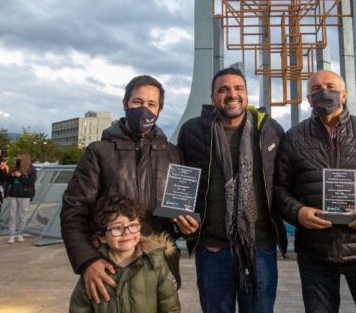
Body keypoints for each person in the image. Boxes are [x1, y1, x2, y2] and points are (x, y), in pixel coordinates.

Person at [61, 75, 198, 306]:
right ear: (125, 104)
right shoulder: (98, 153)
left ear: (159, 110)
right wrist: (87, 261)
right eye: (137, 102)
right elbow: (74, 211)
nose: (144, 109)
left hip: (160, 268)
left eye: (151, 104)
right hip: (111, 266)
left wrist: (187, 229)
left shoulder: (173, 154)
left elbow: (177, 213)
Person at [274, 70, 356, 313]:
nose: (323, 92)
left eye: (330, 86)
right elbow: (280, 188)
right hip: (315, 251)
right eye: (315, 89)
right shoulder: (294, 138)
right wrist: (298, 212)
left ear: (343, 95)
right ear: (308, 99)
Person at [177, 67, 287, 313]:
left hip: (260, 247)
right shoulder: (192, 131)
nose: (232, 94)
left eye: (238, 88)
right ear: (213, 97)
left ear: (247, 95)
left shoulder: (270, 130)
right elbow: (180, 180)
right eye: (223, 89)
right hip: (213, 248)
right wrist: (183, 218)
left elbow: (283, 180)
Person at [69, 194, 181, 313]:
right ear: (102, 236)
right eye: (117, 228)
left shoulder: (156, 265)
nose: (126, 233)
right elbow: (79, 308)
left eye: (132, 225)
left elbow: (170, 307)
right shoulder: (94, 271)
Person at [6, 152, 36, 244]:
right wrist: (11, 176)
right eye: (17, 157)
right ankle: (11, 235)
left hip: (25, 195)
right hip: (13, 194)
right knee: (12, 216)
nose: (18, 159)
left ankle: (20, 234)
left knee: (22, 216)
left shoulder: (31, 169)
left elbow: (31, 182)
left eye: (20, 158)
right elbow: (10, 181)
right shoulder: (15, 167)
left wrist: (21, 176)